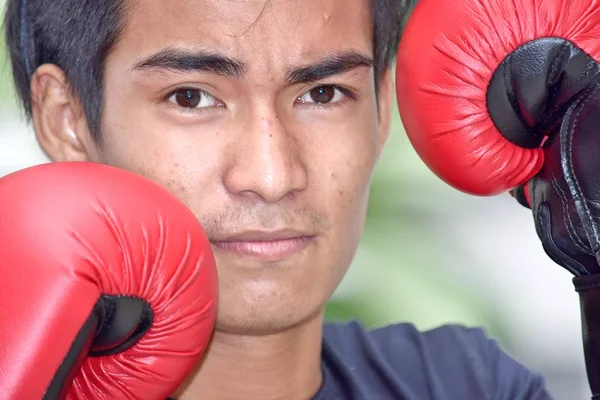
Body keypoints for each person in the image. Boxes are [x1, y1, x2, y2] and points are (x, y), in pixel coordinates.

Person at [3, 0, 553, 398]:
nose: (271, 175)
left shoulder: (464, 385)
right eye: (191, 98)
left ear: (382, 106)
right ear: (67, 119)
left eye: (323, 93)